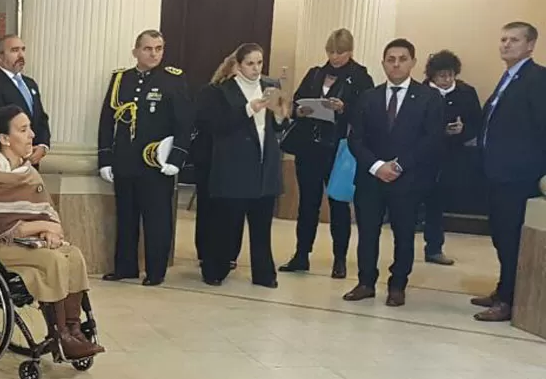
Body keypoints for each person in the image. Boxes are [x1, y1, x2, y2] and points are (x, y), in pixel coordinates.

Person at [0, 105, 104, 361]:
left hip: (26, 241)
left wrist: (53, 231)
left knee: (72, 255)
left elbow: (46, 211)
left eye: (30, 128)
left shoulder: (28, 172)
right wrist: (42, 228)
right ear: (5, 139)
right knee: (51, 261)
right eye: (23, 129)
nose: (31, 135)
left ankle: (74, 330)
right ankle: (59, 334)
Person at [341, 38, 446, 307]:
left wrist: (399, 165)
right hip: (371, 178)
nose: (396, 64)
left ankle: (398, 284)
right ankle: (365, 281)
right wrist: (377, 166)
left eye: (402, 59)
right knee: (367, 232)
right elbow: (355, 139)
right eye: (390, 59)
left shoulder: (428, 97)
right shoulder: (369, 96)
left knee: (403, 233)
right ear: (384, 63)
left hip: (407, 179)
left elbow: (431, 139)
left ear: (412, 62)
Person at [97, 30, 192, 286]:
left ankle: (156, 270)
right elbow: (107, 122)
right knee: (126, 217)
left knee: (157, 219)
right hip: (125, 160)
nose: (153, 54)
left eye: (159, 48)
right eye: (148, 49)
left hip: (155, 163)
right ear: (136, 51)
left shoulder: (173, 80)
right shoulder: (121, 80)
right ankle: (125, 267)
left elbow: (184, 123)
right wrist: (105, 159)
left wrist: (176, 158)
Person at [280, 28, 375, 279]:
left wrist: (345, 108)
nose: (335, 57)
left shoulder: (360, 77)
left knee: (338, 204)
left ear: (351, 51)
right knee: (307, 204)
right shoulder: (315, 74)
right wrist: (300, 110)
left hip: (338, 149)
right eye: (331, 52)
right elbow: (298, 102)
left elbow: (368, 112)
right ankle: (301, 254)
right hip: (309, 147)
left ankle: (340, 259)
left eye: (340, 52)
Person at [472, 22, 546, 322]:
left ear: (530, 45)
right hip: (497, 172)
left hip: (519, 174)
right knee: (501, 235)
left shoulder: (537, 78)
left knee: (512, 237)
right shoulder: (508, 78)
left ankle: (508, 300)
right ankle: (504, 287)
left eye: (514, 40)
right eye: (503, 39)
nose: (506, 44)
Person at [197, 43, 288, 288]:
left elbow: (277, 127)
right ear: (238, 65)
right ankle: (215, 268)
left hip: (263, 166)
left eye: (259, 62)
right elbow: (216, 125)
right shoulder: (221, 91)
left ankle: (264, 273)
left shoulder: (271, 87)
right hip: (234, 167)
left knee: (262, 225)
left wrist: (280, 115)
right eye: (250, 63)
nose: (256, 68)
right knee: (227, 223)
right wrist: (248, 109)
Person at [421, 50, 483, 266]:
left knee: (438, 203)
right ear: (432, 76)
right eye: (441, 76)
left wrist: (463, 131)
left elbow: (478, 124)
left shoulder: (466, 92)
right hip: (422, 156)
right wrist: (440, 131)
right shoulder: (420, 92)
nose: (446, 80)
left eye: (450, 75)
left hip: (452, 156)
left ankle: (434, 248)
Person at [0, 34, 51, 158]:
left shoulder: (30, 83)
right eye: (14, 50)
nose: (21, 55)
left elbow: (40, 117)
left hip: (32, 157)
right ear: (0, 56)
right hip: (7, 158)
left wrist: (42, 145)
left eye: (23, 49)